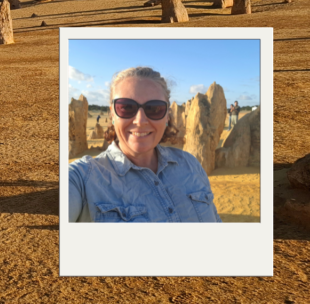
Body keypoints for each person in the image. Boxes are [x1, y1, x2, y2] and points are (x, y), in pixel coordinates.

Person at [69, 66, 221, 222]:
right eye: (126, 108)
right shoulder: (84, 178)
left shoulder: (191, 165)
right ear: (112, 114)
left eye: (154, 109)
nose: (140, 121)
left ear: (167, 116)